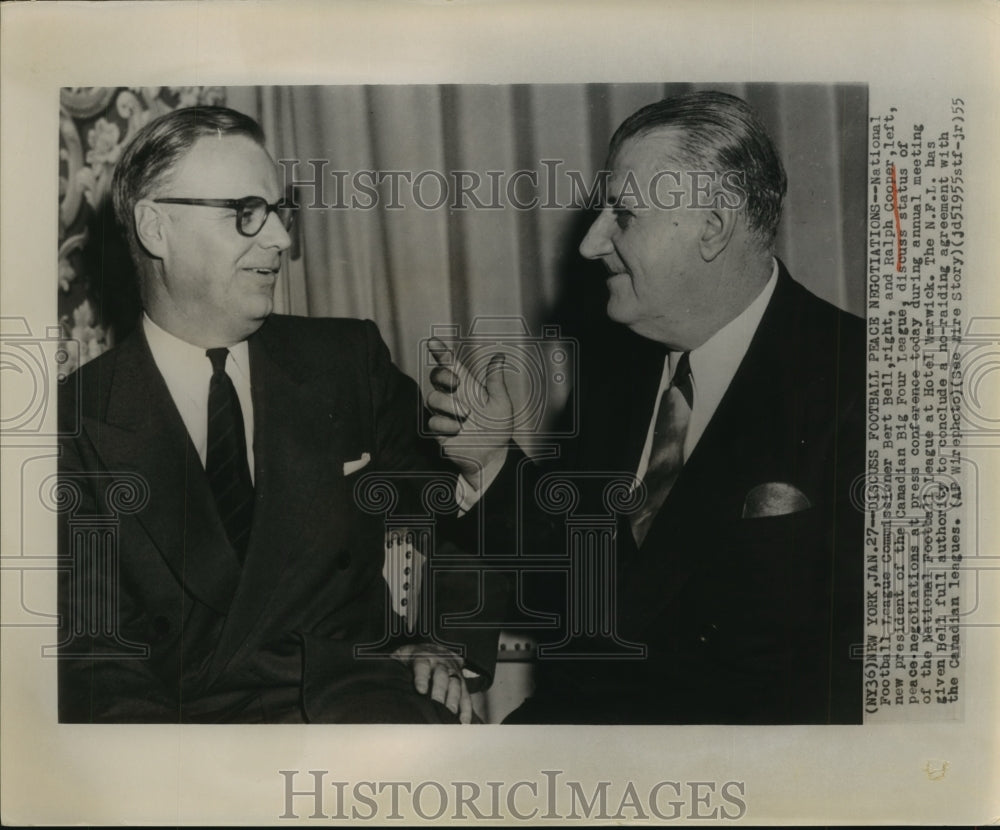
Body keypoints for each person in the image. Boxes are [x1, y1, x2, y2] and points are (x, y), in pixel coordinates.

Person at [427, 91, 865, 724]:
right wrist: (489, 462)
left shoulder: (867, 383)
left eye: (622, 215)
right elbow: (587, 601)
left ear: (711, 228)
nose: (590, 243)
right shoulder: (619, 372)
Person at [57, 105, 500, 724]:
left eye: (278, 210)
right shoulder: (72, 424)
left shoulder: (346, 362)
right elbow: (94, 659)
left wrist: (439, 639)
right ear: (156, 229)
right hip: (191, 742)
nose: (281, 240)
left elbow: (458, 507)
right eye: (246, 214)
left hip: (364, 705)